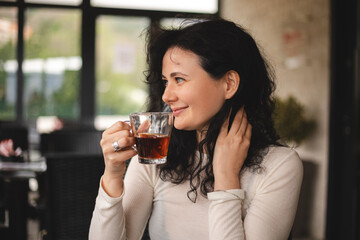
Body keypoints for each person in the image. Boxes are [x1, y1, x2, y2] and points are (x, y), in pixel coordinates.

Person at [89, 17, 303, 240]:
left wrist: (226, 176)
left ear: (229, 84)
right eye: (165, 82)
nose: (166, 96)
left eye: (179, 79)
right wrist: (112, 176)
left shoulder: (280, 165)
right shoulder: (157, 153)